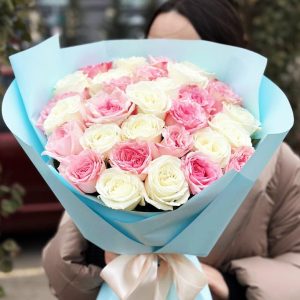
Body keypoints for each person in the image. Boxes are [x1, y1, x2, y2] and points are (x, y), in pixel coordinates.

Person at [42, 1, 300, 299]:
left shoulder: (279, 165)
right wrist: (104, 255)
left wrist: (229, 283)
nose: (169, 67)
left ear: (234, 55)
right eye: (157, 51)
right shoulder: (106, 148)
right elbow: (59, 273)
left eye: (189, 56)